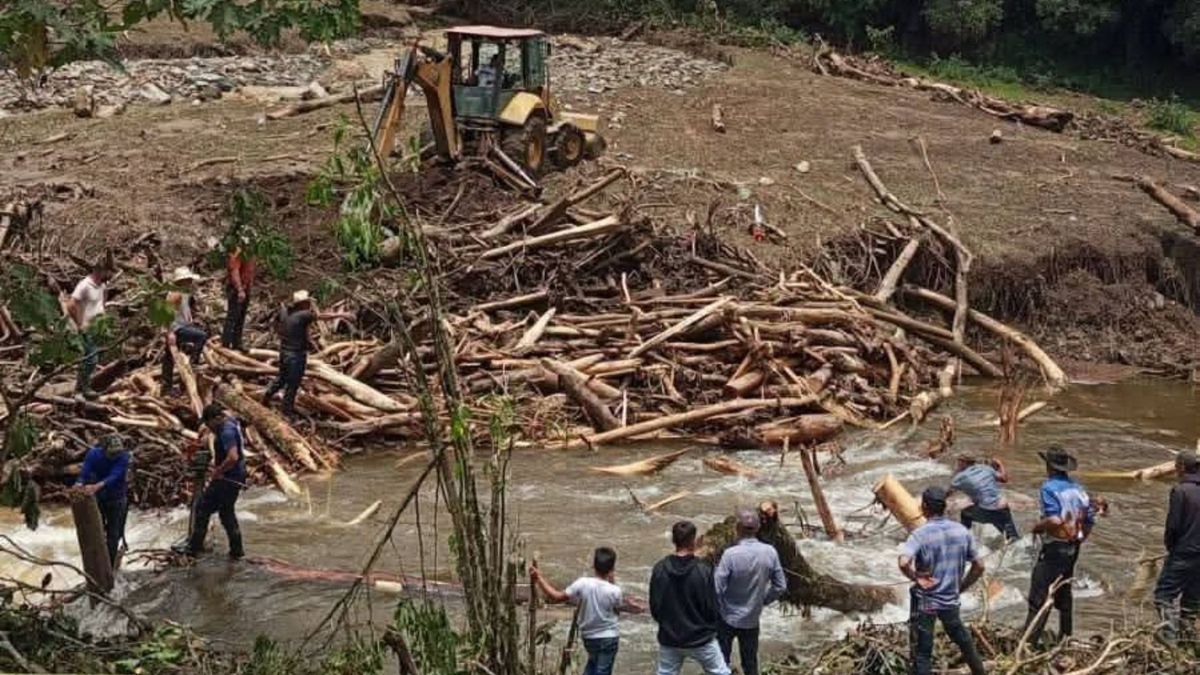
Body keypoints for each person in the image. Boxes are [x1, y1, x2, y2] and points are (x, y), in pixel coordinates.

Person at [899, 486, 987, 675]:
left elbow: (903, 562)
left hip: (927, 603)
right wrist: (960, 587)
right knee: (963, 639)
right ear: (944, 508)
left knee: (923, 652)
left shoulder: (920, 534)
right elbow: (979, 566)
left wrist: (916, 577)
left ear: (924, 507)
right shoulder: (962, 531)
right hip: (950, 601)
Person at [1023, 445, 1097, 648]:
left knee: (1038, 596)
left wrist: (1037, 527)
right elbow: (1090, 519)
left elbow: (1055, 520)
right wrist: (1080, 538)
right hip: (1072, 547)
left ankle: (1029, 643)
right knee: (1064, 591)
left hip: (1054, 547)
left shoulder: (1049, 487)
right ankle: (1066, 637)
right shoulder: (1079, 489)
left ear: (1049, 466)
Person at [531, 547, 643, 675]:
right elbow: (616, 610)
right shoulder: (615, 591)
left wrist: (538, 578)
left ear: (593, 566)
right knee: (602, 671)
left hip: (589, 638)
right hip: (609, 637)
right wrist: (630, 603)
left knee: (592, 666)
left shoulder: (582, 583)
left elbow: (556, 596)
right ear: (612, 569)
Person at [649, 521, 730, 675]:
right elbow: (711, 607)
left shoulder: (659, 568)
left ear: (673, 540)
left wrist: (667, 625)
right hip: (701, 638)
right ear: (693, 541)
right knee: (721, 672)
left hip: (670, 638)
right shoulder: (703, 570)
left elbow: (655, 607)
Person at [714, 508, 786, 675]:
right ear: (758, 528)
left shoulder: (730, 555)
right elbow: (780, 586)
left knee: (721, 662)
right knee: (750, 662)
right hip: (752, 618)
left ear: (737, 528)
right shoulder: (770, 552)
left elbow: (717, 589)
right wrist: (762, 601)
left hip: (726, 617)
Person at [261, 291, 351, 417]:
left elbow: (276, 323)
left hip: (284, 351)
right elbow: (322, 316)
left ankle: (266, 397)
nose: (310, 304)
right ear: (303, 303)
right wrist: (342, 314)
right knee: (293, 384)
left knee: (281, 378)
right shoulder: (304, 314)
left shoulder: (285, 312)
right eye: (308, 302)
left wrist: (285, 336)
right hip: (295, 355)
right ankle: (286, 412)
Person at [186, 403, 246, 559]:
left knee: (202, 509)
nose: (208, 427)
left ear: (218, 418)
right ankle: (237, 551)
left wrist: (217, 471)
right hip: (236, 476)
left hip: (227, 478)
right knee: (227, 513)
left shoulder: (226, 431)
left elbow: (233, 457)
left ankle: (193, 548)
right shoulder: (230, 422)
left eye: (209, 423)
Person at [1153, 450, 1200, 643]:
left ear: (1181, 467)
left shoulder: (1181, 491)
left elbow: (1173, 526)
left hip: (1184, 552)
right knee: (1192, 601)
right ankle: (1188, 642)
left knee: (1163, 596)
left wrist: (1171, 549)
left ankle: (1170, 640)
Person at [76, 434, 132, 569]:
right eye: (112, 453)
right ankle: (97, 565)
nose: (114, 456)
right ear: (103, 449)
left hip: (117, 498)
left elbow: (115, 475)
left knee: (114, 534)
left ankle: (110, 566)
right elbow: (85, 470)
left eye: (117, 453)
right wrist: (79, 483)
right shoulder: (94, 454)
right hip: (98, 499)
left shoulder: (124, 457)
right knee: (95, 532)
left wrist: (97, 486)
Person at [66, 262, 111, 398]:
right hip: (87, 327)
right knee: (90, 359)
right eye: (107, 271)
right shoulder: (84, 285)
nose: (109, 274)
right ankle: (81, 390)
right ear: (98, 270)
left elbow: (102, 302)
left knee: (92, 359)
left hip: (98, 327)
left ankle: (83, 387)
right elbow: (71, 304)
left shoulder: (102, 286)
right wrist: (80, 324)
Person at [950, 453, 1019, 542]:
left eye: (958, 462)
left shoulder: (960, 477)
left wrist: (957, 471)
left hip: (985, 511)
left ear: (962, 463)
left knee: (965, 513)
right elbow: (1004, 479)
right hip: (1001, 508)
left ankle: (966, 540)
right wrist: (1001, 464)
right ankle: (1013, 537)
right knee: (1011, 536)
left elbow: (950, 490)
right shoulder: (986, 468)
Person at [161, 267, 209, 393]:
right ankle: (193, 363)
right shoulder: (175, 294)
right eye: (187, 280)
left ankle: (171, 386)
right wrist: (169, 333)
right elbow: (166, 314)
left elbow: (185, 309)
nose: (190, 282)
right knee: (201, 336)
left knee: (169, 358)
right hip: (176, 328)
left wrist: (191, 320)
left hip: (183, 325)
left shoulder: (184, 292)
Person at [222, 244, 256, 351]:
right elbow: (234, 271)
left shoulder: (251, 253)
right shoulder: (238, 251)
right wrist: (239, 289)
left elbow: (250, 271)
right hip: (236, 288)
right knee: (232, 317)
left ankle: (237, 343)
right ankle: (226, 344)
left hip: (246, 287)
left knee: (241, 317)